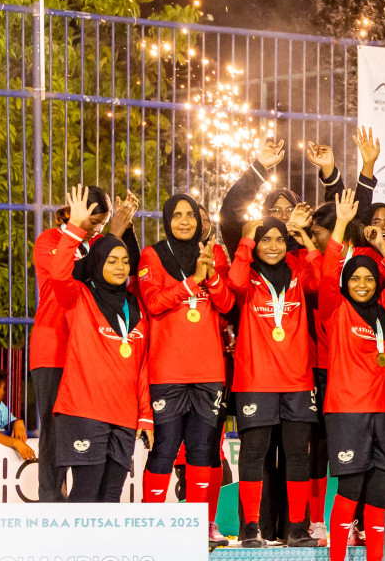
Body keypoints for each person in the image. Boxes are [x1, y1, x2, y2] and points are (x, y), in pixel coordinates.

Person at [31, 184, 135, 502]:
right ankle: (51, 498)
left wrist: (111, 236)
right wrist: (88, 231)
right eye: (95, 221)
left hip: (90, 350)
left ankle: (85, 498)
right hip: (54, 348)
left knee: (88, 429)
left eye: (103, 222)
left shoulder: (96, 244)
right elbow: (70, 277)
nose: (98, 227)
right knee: (54, 429)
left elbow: (111, 275)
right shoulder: (51, 240)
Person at [137, 194, 233, 540]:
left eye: (189, 215)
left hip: (209, 370)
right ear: (167, 219)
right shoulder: (152, 255)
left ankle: (197, 528)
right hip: (168, 371)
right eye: (176, 215)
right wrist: (193, 281)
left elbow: (226, 304)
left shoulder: (214, 253)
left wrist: (212, 278)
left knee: (203, 451)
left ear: (198, 219)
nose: (184, 221)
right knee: (164, 448)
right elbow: (153, 302)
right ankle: (150, 525)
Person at [227, 217, 319, 547]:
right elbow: (234, 283)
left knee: (297, 455)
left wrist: (305, 240)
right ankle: (250, 527)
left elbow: (322, 280)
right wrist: (246, 240)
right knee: (253, 454)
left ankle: (296, 527)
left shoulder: (297, 268)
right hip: (256, 378)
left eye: (280, 239)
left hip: (297, 378)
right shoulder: (248, 274)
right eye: (266, 239)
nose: (274, 246)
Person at [50, 209, 152, 502]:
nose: (120, 267)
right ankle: (74, 551)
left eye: (124, 261)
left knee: (110, 497)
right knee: (85, 493)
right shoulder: (79, 296)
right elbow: (58, 274)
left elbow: (141, 366)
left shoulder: (135, 307)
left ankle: (105, 551)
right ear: (98, 263)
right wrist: (74, 228)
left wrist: (145, 415)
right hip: (84, 412)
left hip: (124, 416)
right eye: (111, 261)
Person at [321, 253, 385, 561]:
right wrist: (340, 226)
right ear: (345, 283)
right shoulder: (337, 310)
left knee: (378, 494)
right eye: (355, 278)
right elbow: (327, 276)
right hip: (347, 410)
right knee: (350, 490)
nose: (362, 284)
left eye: (369, 278)